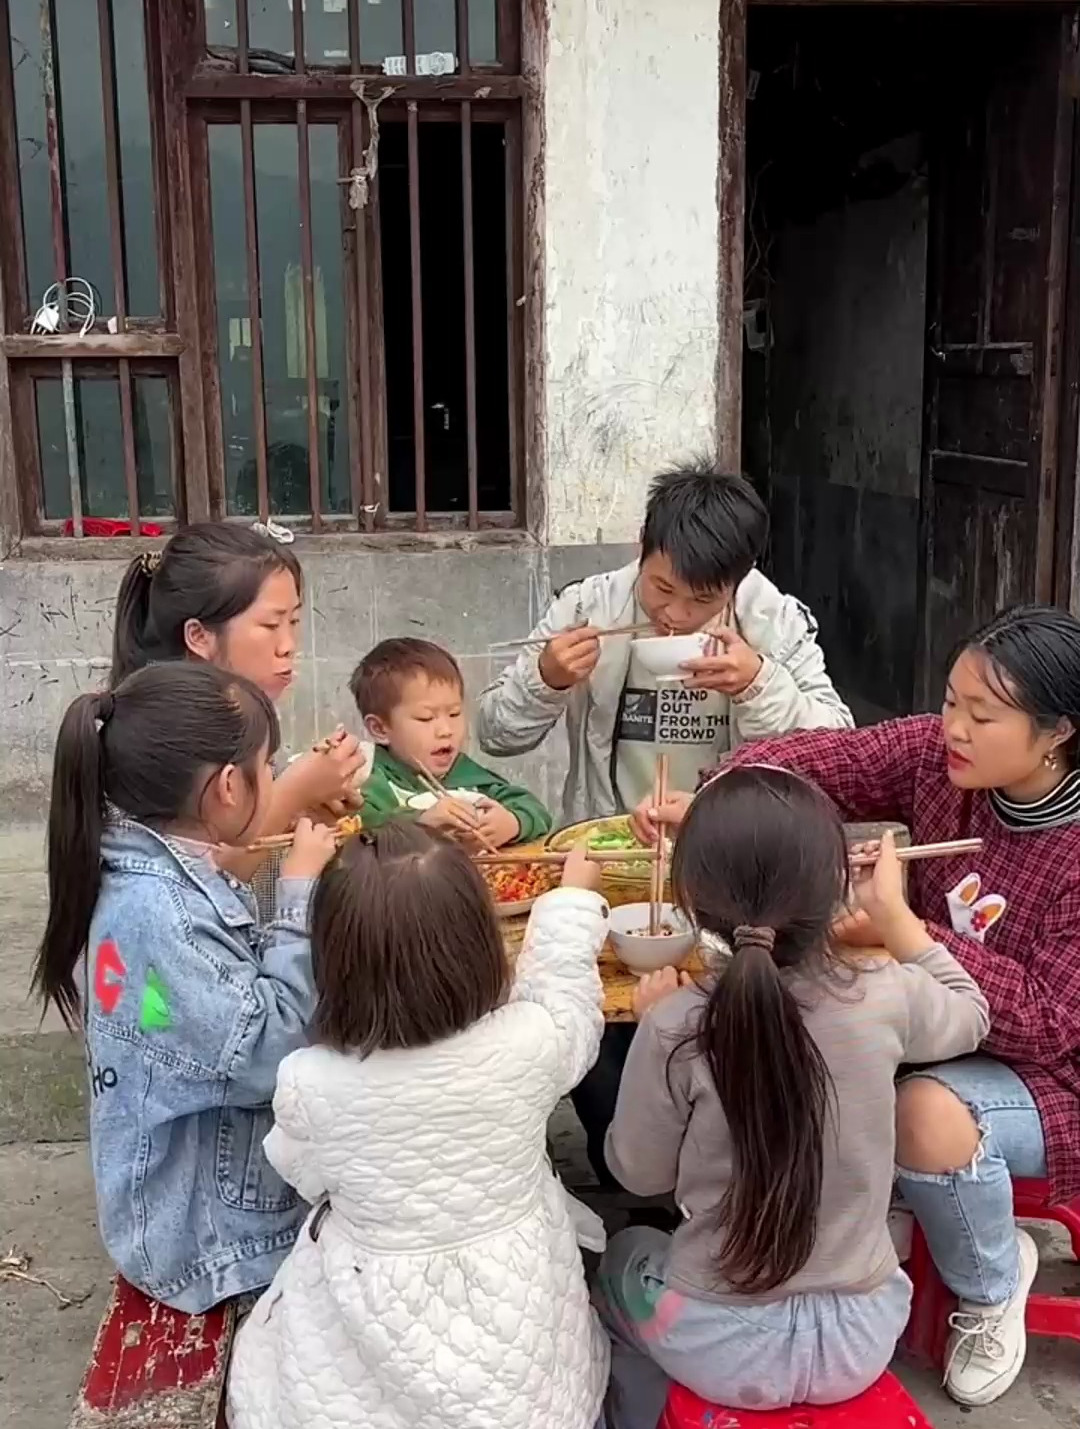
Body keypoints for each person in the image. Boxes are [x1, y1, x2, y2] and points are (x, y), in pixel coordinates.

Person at [631, 604, 1080, 1408]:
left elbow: (1052, 1021)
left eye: (983, 715)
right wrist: (725, 804)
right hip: (940, 1011)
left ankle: (990, 1281)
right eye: (951, 700)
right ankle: (889, 1223)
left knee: (921, 1106)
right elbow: (810, 756)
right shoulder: (934, 759)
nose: (953, 727)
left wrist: (904, 929)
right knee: (845, 1037)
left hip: (1048, 1074)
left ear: (1058, 732)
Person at [596, 767, 988, 1427]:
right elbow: (972, 1013)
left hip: (713, 1344)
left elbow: (638, 1173)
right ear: (837, 883)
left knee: (622, 1254)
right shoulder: (885, 993)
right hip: (862, 1337)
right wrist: (896, 918)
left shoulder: (678, 1024)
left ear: (694, 899)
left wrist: (648, 1032)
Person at [226, 825, 611, 1429]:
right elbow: (568, 1006)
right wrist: (569, 902)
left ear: (334, 960)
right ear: (480, 946)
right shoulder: (529, 1043)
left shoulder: (309, 1079)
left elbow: (304, 1172)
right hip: (515, 1314)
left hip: (372, 1301)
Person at [30, 662, 338, 1312]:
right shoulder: (158, 912)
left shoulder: (146, 867)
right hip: (212, 1241)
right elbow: (273, 1051)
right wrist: (301, 889)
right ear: (227, 787)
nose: (274, 780)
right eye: (268, 767)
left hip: (199, 1202)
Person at [475, 457, 852, 829]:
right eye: (663, 588)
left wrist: (758, 684)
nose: (675, 613)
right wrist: (546, 679)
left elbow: (839, 754)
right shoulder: (587, 608)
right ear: (641, 543)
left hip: (732, 843)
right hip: (613, 842)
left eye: (702, 600)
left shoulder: (774, 622)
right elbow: (495, 736)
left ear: (740, 577)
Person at [110, 522, 367, 903]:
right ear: (199, 636)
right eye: (270, 624)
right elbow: (192, 886)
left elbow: (253, 856)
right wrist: (294, 791)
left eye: (294, 621)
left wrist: (311, 813)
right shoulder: (155, 738)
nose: (288, 645)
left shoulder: (244, 721)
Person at [350, 637, 552, 847]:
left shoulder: (466, 775)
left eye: (454, 713)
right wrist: (419, 823)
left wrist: (512, 823)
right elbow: (361, 828)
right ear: (380, 728)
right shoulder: (368, 778)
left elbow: (535, 810)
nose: (446, 730)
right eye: (426, 718)